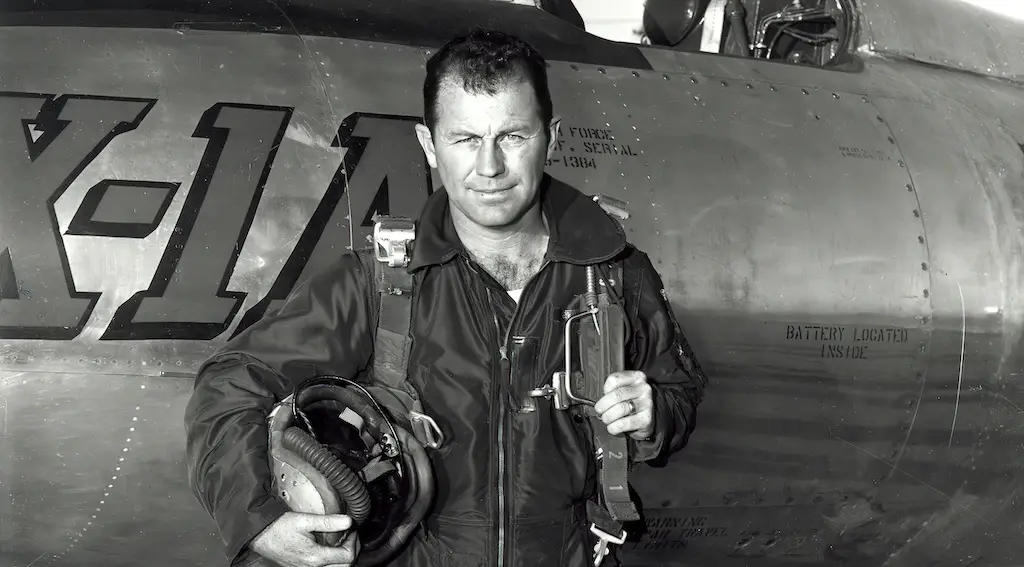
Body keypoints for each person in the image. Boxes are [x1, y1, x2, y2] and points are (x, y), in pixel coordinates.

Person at [184, 28, 707, 567]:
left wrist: (651, 417)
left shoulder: (616, 273)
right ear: (429, 145)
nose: (489, 167)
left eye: (512, 137)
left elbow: (678, 394)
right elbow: (233, 380)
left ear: (550, 137)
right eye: (464, 139)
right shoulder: (382, 281)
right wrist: (257, 518)